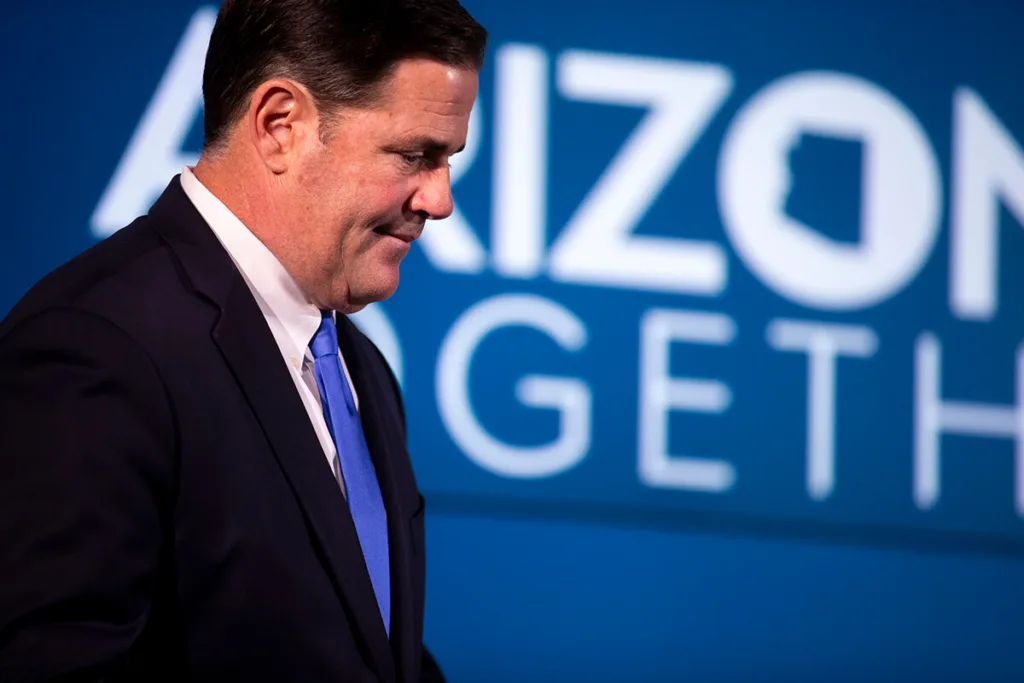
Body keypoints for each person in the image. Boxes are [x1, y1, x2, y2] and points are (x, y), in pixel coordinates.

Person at [0, 0, 486, 680]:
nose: (440, 200)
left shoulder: (360, 369)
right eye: (416, 155)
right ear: (280, 126)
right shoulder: (96, 348)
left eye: (447, 160)